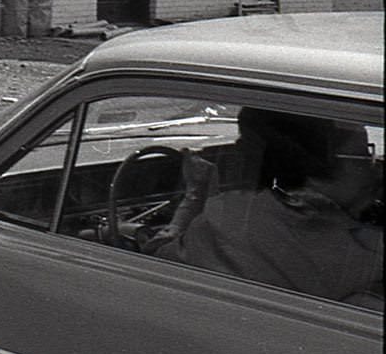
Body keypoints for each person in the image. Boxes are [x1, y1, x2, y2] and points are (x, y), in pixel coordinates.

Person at [150, 109, 383, 309]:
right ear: (315, 165)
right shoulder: (366, 249)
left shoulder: (228, 217)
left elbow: (158, 260)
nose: (375, 169)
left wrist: (194, 196)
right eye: (363, 156)